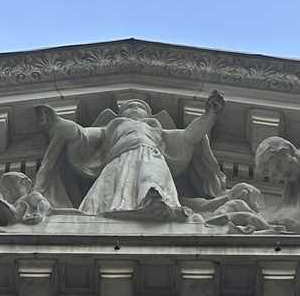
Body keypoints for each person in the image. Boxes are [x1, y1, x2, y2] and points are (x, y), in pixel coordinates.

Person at [33, 91, 226, 219]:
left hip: (151, 157)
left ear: (148, 115)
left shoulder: (157, 130)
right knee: (110, 189)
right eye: (129, 106)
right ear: (121, 114)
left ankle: (154, 203)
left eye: (140, 106)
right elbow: (80, 134)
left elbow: (189, 136)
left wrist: (210, 115)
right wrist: (56, 122)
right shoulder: (111, 128)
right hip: (119, 161)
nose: (134, 106)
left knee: (150, 178)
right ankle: (109, 210)